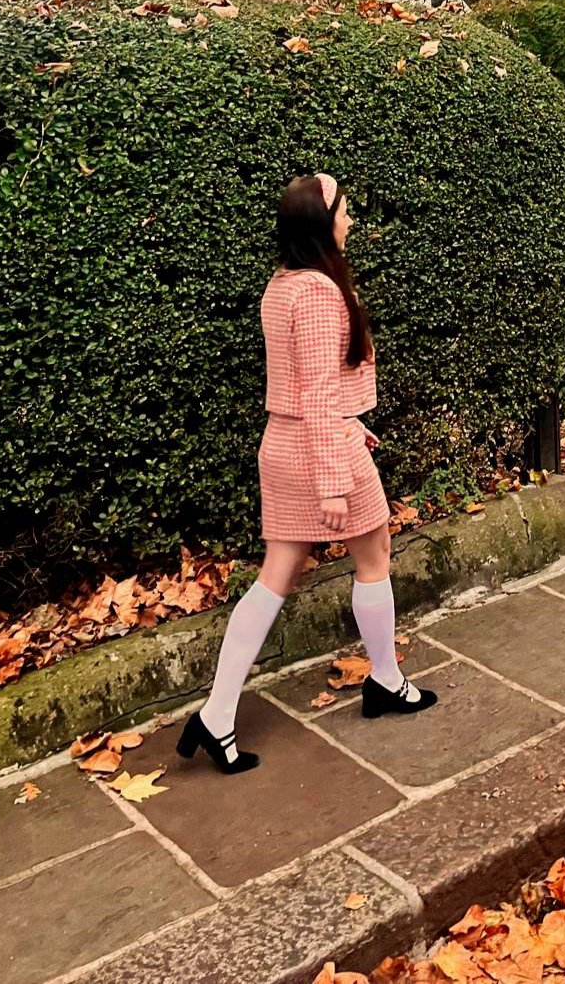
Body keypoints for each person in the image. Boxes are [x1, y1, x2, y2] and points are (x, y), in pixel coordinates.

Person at [177, 174, 437, 775]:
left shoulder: (282, 284)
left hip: (289, 442)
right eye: (345, 208)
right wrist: (332, 482)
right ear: (324, 221)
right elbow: (318, 393)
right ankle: (387, 681)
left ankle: (216, 716)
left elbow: (306, 389)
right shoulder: (319, 292)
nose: (351, 218)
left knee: (273, 578)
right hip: (318, 452)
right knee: (373, 557)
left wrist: (350, 426)